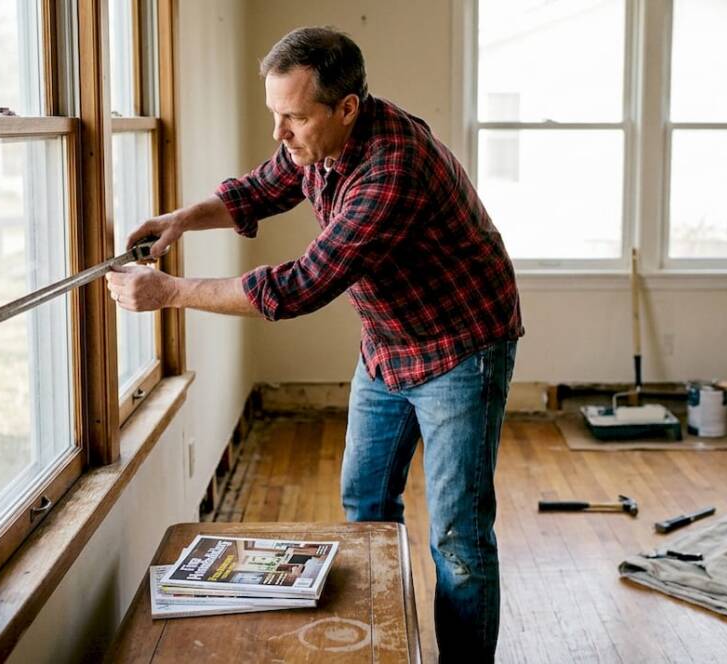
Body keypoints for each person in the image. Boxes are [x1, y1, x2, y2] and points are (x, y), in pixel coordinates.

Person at [108, 26, 523, 662]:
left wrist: (168, 292)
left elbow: (300, 286)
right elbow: (264, 185)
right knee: (365, 503)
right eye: (276, 114)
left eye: (294, 118)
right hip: (388, 343)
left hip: (460, 348)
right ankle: (379, 643)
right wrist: (182, 219)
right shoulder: (316, 144)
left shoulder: (392, 169)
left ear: (347, 107)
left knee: (459, 540)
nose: (281, 133)